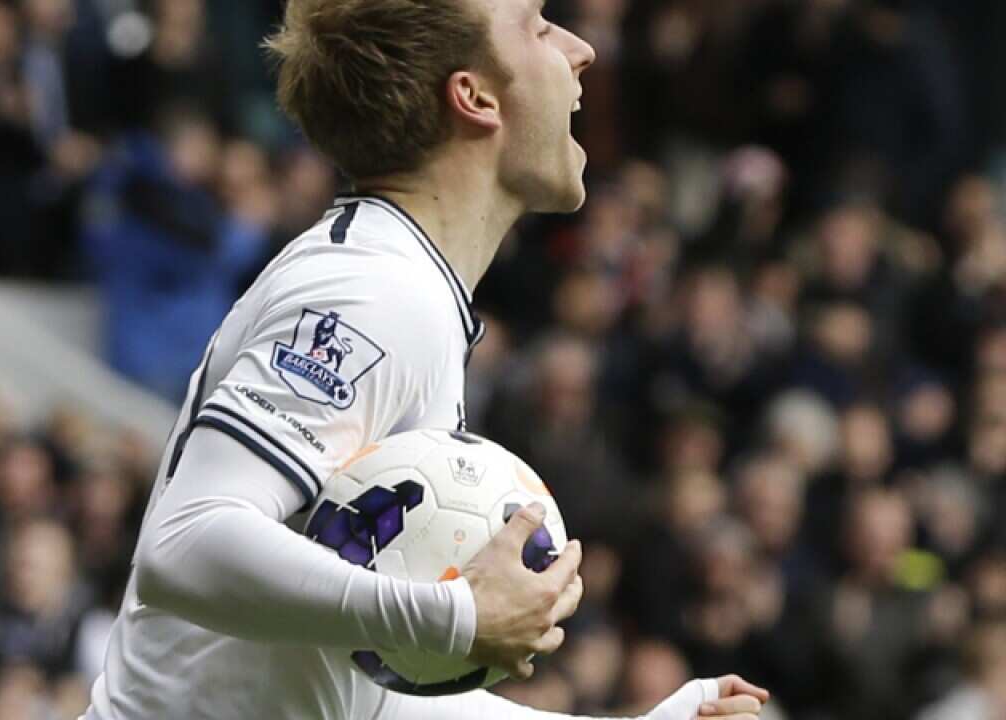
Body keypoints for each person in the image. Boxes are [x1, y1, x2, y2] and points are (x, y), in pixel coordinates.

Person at [84, 1, 771, 718]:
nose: (580, 50)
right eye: (539, 26)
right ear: (474, 97)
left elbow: (356, 689)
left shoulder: (406, 288)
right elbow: (187, 544)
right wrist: (459, 616)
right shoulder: (377, 293)